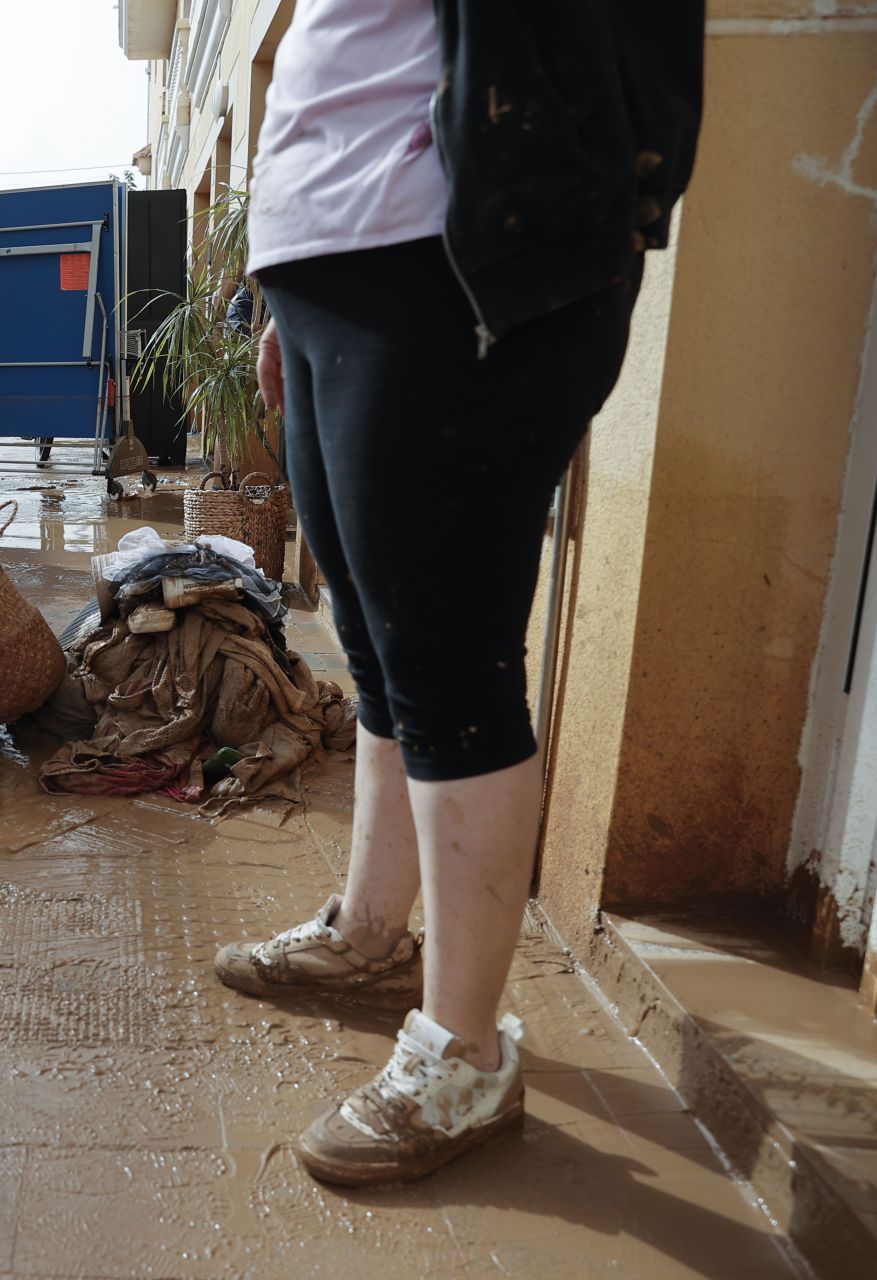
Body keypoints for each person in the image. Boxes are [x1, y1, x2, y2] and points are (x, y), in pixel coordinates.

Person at [213, 0, 702, 1185]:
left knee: (451, 662)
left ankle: (466, 1054)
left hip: (456, 242)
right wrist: (277, 285)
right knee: (379, 648)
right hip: (333, 259)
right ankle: (372, 933)